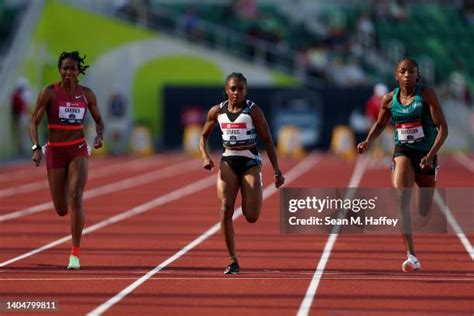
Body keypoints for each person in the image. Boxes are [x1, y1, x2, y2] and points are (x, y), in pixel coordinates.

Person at [357, 57, 448, 272]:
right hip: (403, 152)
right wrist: (368, 140)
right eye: (403, 71)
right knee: (401, 200)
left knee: (423, 211)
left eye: (412, 71)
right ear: (396, 75)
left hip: (426, 154)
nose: (407, 75)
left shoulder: (426, 95)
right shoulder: (389, 100)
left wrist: (431, 154)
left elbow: (443, 128)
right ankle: (411, 255)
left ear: (418, 75)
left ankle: (430, 172)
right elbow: (380, 124)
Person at [199, 72, 285, 274]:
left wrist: (277, 171)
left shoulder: (253, 111)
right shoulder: (216, 111)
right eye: (233, 89)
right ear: (226, 90)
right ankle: (232, 260)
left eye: (240, 89)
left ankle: (257, 185)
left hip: (250, 163)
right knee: (225, 208)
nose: (236, 92)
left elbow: (268, 141)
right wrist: (205, 156)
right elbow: (202, 136)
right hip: (228, 161)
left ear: (245, 90)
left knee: (251, 216)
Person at [29, 51, 104, 270]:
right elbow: (34, 121)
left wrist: (99, 136)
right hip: (55, 151)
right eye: (65, 68)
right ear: (60, 70)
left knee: (75, 195)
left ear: (78, 71)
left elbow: (99, 121)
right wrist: (36, 147)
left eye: (72, 68)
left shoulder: (87, 94)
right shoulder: (50, 92)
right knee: (61, 209)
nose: (68, 72)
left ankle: (75, 254)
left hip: (78, 148)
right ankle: (72, 241)